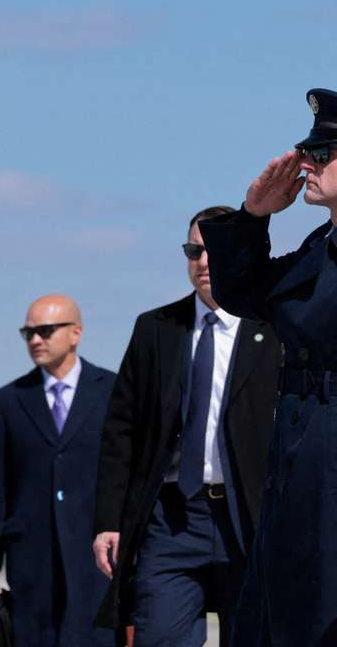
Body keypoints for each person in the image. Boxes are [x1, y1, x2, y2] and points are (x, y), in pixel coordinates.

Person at [92, 206, 280, 646]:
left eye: (215, 250)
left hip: (249, 517)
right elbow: (121, 431)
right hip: (171, 520)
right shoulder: (155, 329)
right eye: (194, 251)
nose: (204, 262)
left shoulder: (275, 328)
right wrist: (108, 521)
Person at [199, 88, 337, 645]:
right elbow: (244, 293)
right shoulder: (320, 245)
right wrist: (253, 217)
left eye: (323, 155)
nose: (307, 165)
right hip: (299, 456)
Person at [0, 295, 115, 647]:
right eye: (29, 333)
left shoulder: (114, 391)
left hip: (97, 557)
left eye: (46, 331)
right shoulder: (7, 401)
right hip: (31, 559)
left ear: (76, 333)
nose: (36, 340)